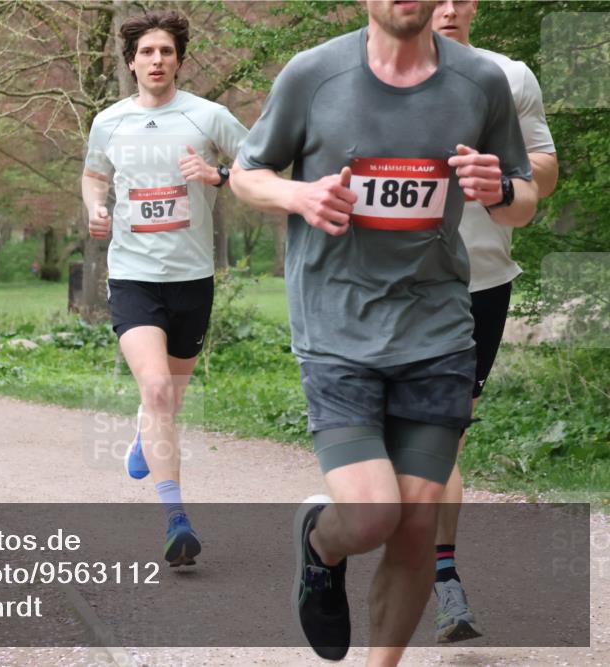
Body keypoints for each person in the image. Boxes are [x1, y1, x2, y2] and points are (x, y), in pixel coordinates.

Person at [230, 1, 537, 663]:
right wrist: (299, 196)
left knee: (418, 525)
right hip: (337, 329)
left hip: (438, 329)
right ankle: (322, 540)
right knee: (373, 516)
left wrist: (499, 191)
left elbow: (525, 195)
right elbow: (245, 173)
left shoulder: (480, 81)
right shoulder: (313, 75)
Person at [81, 10, 247, 566]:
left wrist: (219, 176)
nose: (157, 60)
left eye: (166, 52)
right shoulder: (109, 121)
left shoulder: (209, 117)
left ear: (179, 59)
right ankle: (176, 519)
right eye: (147, 52)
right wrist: (96, 205)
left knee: (167, 400)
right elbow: (93, 173)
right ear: (132, 61)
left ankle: (142, 437)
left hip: (192, 280)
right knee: (155, 391)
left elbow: (259, 166)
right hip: (132, 275)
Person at [430, 0, 559, 643]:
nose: (447, 9)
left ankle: (443, 577)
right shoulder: (358, 77)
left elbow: (545, 174)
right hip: (383, 287)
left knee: (443, 435)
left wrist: (501, 177)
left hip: (478, 283)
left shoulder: (509, 77)